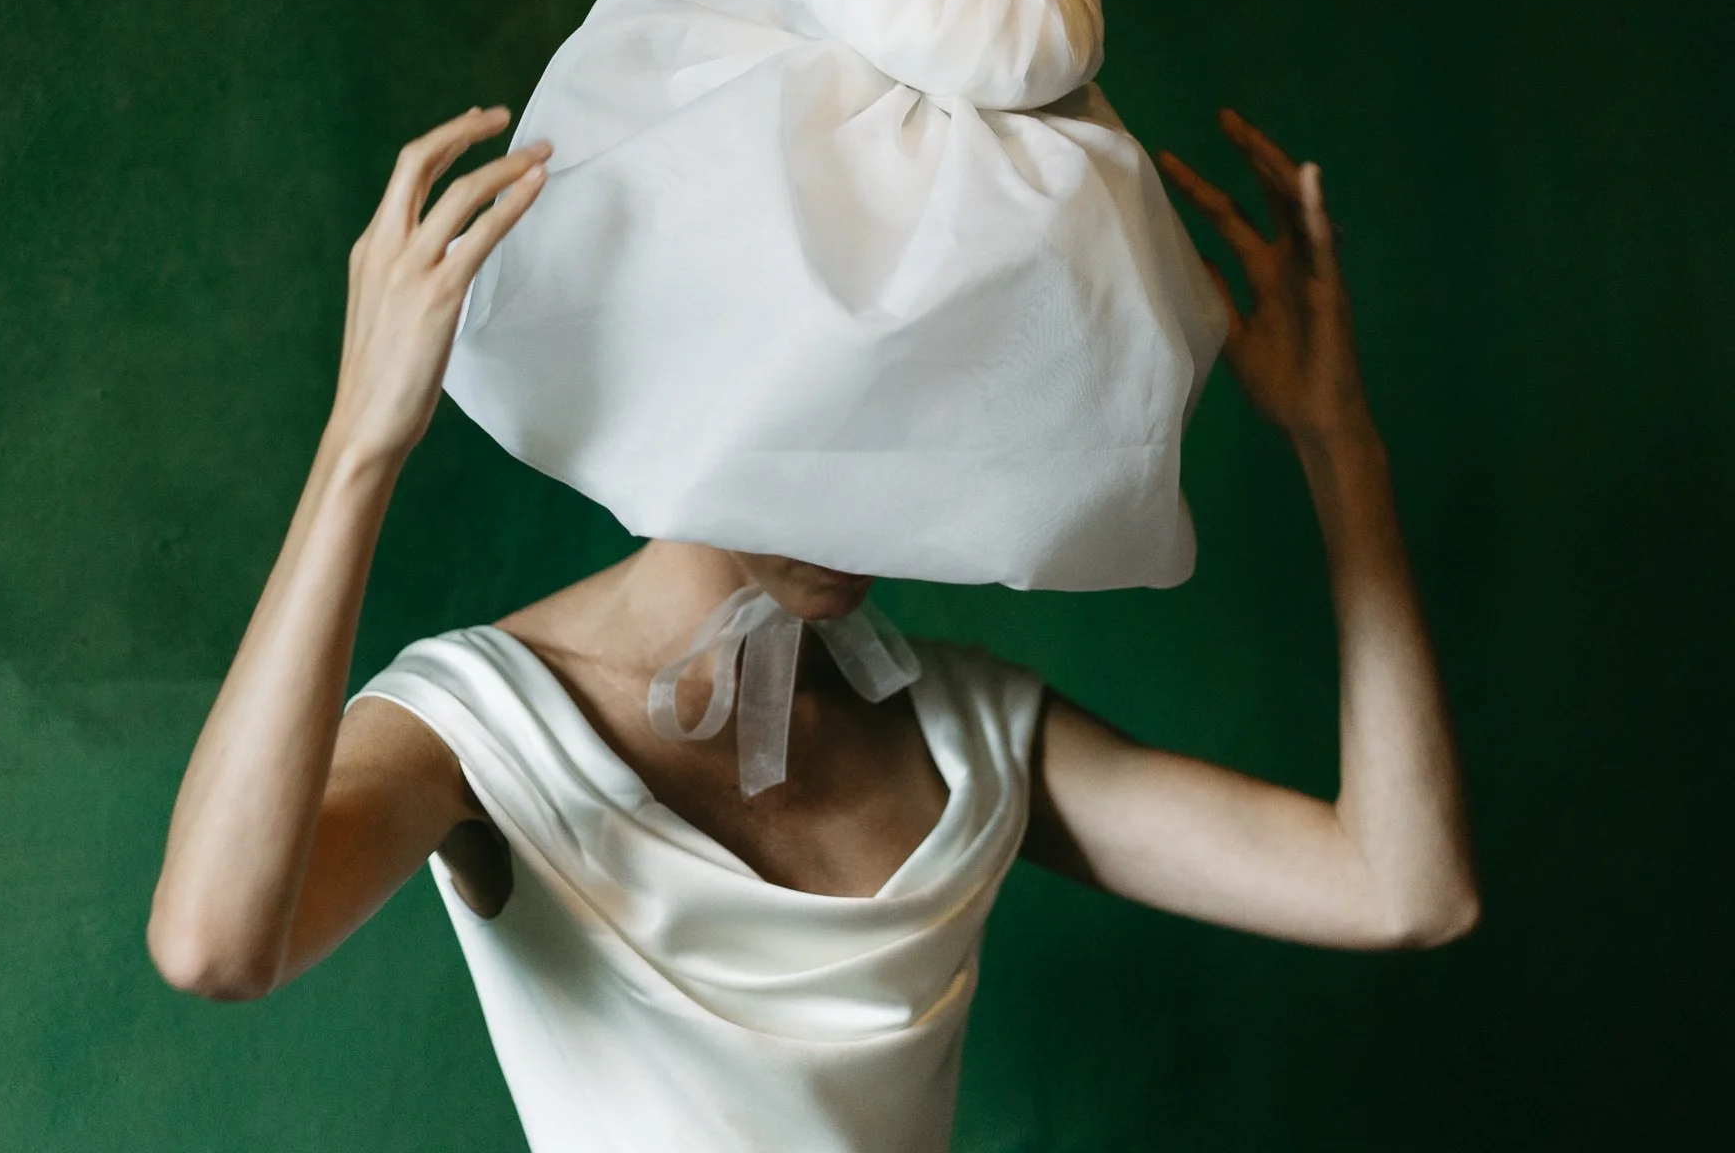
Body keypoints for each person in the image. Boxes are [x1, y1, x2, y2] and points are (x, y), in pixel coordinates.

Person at [144, 98, 1479, 1150]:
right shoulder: (485, 724)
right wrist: (358, 446)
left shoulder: (970, 732)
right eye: (826, 423)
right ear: (703, 381)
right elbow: (214, 945)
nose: (872, 499)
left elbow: (1402, 891)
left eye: (922, 427)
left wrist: (1336, 444)